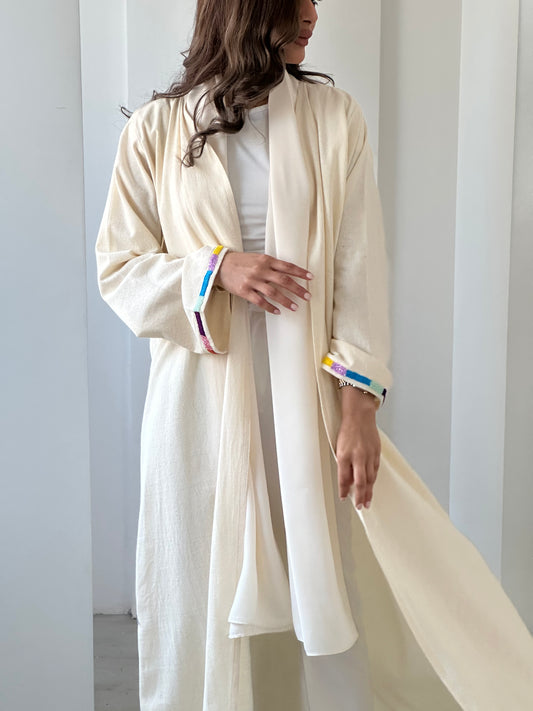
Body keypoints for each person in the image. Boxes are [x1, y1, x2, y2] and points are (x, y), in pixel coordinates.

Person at [95, 0, 533, 709]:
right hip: (200, 406)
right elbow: (118, 268)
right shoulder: (157, 130)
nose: (311, 14)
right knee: (205, 578)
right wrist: (215, 270)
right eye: (294, 0)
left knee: (329, 578)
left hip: (311, 399)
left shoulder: (335, 119)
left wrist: (359, 410)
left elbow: (358, 273)